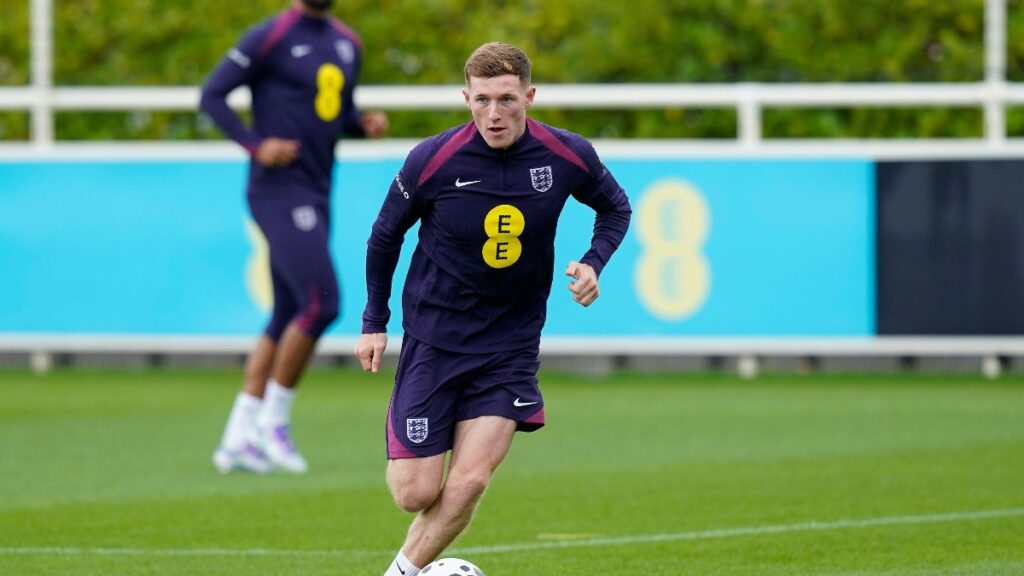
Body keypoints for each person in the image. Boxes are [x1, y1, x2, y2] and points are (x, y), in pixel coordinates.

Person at [354, 42, 632, 575]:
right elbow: (384, 235)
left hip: (510, 345)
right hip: (434, 339)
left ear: (529, 95)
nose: (494, 113)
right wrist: (374, 322)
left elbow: (615, 206)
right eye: (482, 100)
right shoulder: (431, 160)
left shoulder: (566, 154)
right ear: (466, 98)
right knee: (414, 493)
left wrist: (595, 262)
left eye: (507, 99)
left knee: (471, 480)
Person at [200, 0, 388, 474]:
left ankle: (237, 437)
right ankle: (273, 421)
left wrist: (360, 124)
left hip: (318, 188)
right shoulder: (271, 35)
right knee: (321, 303)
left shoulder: (348, 43)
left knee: (288, 309)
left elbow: (333, 112)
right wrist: (255, 145)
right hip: (277, 189)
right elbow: (213, 95)